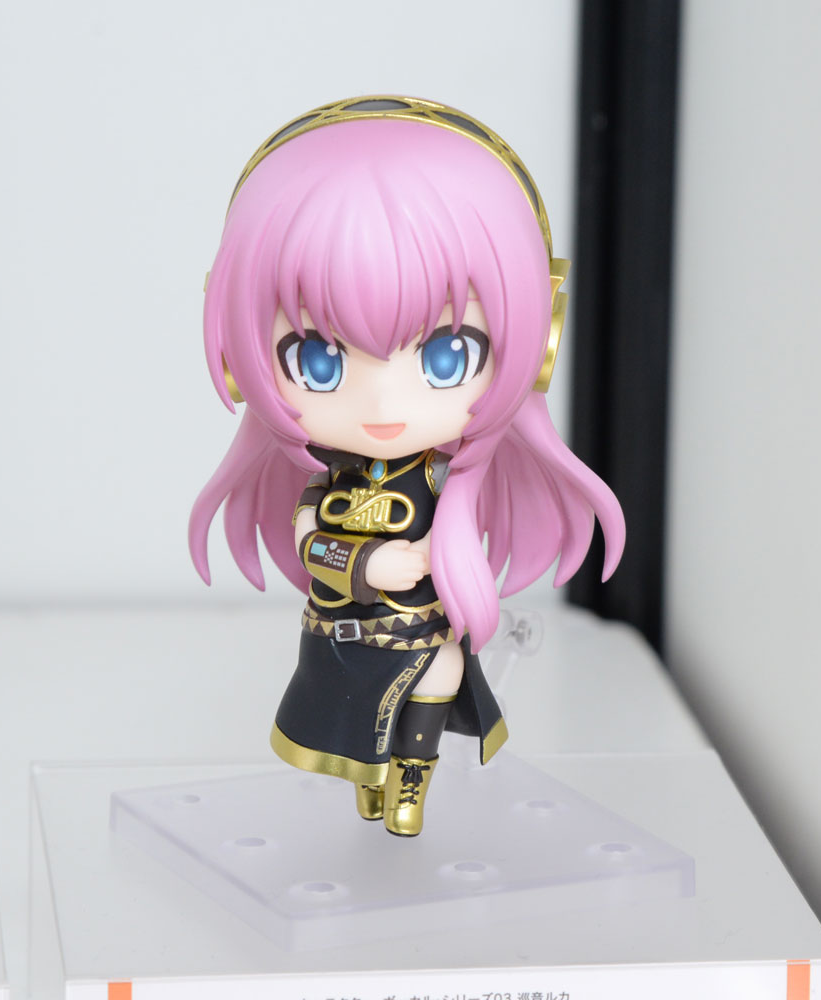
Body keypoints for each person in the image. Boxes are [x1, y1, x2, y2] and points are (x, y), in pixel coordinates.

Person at [189, 97, 625, 837]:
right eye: (318, 361)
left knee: (441, 676)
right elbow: (309, 539)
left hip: (419, 629)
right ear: (239, 361)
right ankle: (368, 784)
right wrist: (367, 566)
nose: (384, 403)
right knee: (348, 722)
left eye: (447, 356)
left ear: (539, 343)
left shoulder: (443, 484)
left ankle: (411, 787)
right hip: (345, 629)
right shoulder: (328, 483)